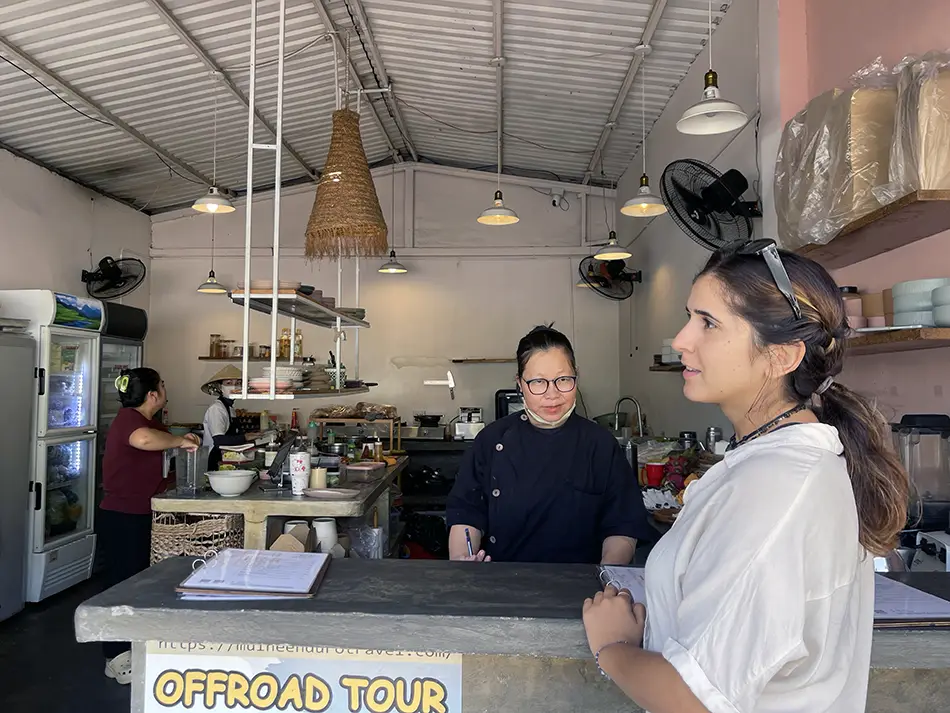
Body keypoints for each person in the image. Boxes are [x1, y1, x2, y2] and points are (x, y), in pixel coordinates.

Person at [582, 240, 908, 713]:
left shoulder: (775, 492)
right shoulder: (778, 467)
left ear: (782, 356)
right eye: (690, 316)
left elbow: (695, 699)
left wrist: (613, 647)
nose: (680, 340)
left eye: (708, 323)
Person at [446, 325, 651, 565]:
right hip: (501, 586)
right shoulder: (492, 440)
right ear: (520, 384)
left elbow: (622, 526)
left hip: (583, 591)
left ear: (576, 376)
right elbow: (466, 514)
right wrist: (462, 560)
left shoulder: (600, 444)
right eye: (538, 382)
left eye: (563, 380)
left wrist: (608, 577)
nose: (552, 394)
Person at [99, 367, 200, 685]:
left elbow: (151, 456)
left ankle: (132, 646)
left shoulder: (150, 423)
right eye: (163, 384)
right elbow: (143, 441)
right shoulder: (131, 419)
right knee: (122, 584)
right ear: (153, 394)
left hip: (140, 512)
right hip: (122, 515)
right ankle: (115, 657)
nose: (165, 388)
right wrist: (179, 441)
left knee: (138, 582)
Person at [201, 365, 261, 471]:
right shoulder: (217, 409)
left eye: (237, 383)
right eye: (228, 383)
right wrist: (245, 437)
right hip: (215, 461)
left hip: (227, 459)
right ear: (220, 387)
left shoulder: (229, 408)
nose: (234, 387)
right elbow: (219, 440)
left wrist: (251, 435)